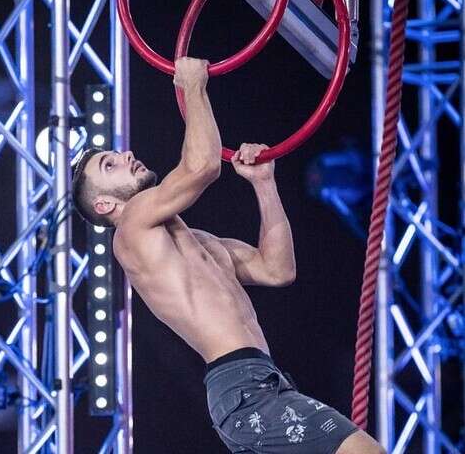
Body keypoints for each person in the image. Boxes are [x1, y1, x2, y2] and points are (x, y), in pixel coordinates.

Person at [72, 57, 385, 454]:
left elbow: (277, 269)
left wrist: (264, 184)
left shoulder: (197, 243)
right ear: (104, 205)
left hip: (258, 383)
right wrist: (193, 86)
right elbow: (202, 167)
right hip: (243, 388)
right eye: (110, 164)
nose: (126, 155)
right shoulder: (130, 228)